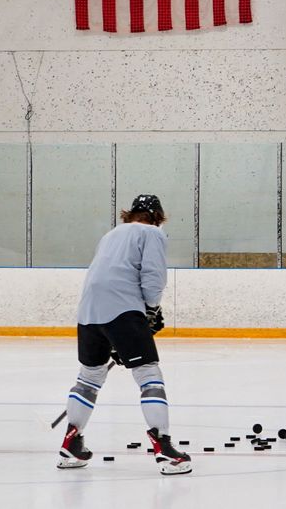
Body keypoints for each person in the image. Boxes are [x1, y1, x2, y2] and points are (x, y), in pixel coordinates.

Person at [57, 194, 191, 475]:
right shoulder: (151, 233)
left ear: (130, 214)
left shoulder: (111, 235)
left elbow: (105, 273)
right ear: (156, 217)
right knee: (148, 374)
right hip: (122, 308)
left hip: (89, 312)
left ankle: (71, 443)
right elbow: (154, 275)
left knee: (89, 377)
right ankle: (164, 449)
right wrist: (150, 310)